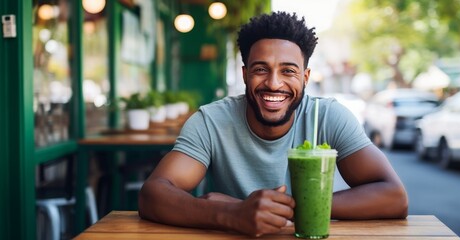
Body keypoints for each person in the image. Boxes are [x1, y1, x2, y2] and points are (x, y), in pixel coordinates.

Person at [138, 11, 408, 237]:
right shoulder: (211, 121)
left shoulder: (328, 116)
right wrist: (231, 214)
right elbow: (153, 194)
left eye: (288, 71)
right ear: (245, 74)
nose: (274, 83)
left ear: (306, 77)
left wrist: (286, 208)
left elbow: (394, 196)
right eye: (260, 69)